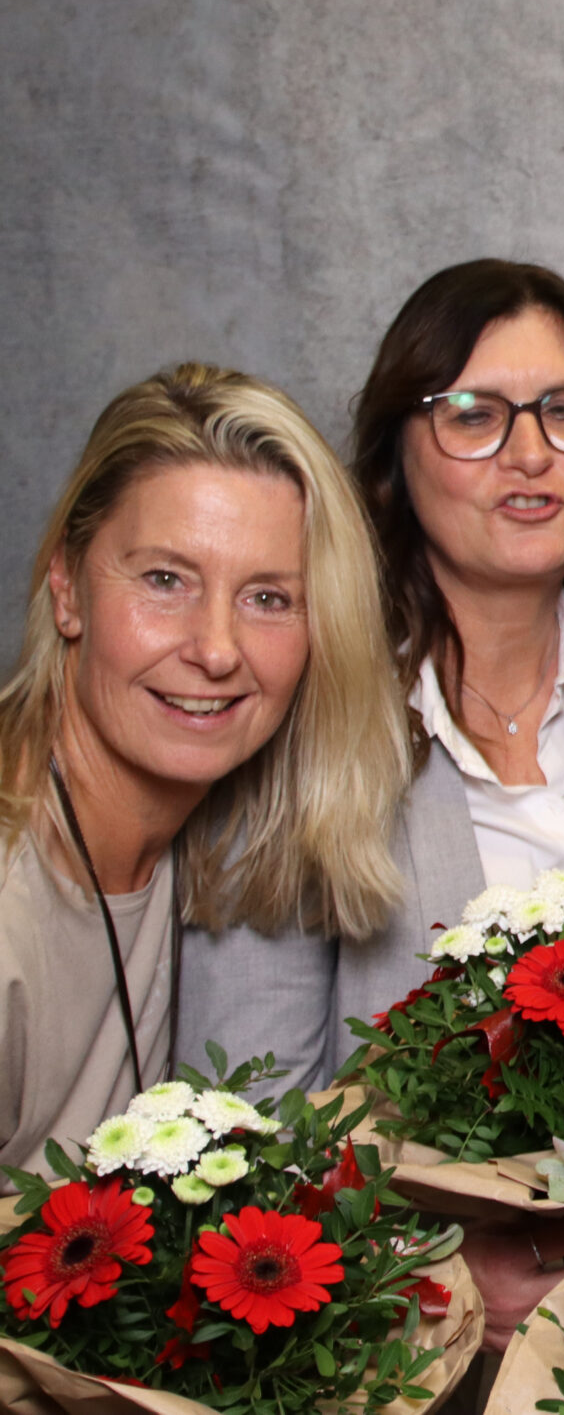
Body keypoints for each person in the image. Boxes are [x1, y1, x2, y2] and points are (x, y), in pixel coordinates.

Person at [184, 260, 564, 1094]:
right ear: (395, 455)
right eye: (473, 415)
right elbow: (250, 1098)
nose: (530, 454)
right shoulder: (302, 707)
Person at [2, 365, 408, 1173]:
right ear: (67, 586)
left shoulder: (211, 832)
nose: (217, 649)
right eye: (165, 580)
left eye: (268, 598)